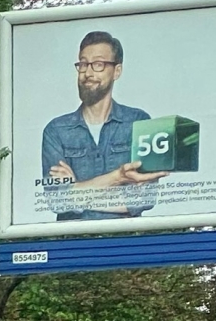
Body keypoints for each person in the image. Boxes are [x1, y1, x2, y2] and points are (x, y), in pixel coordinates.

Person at [40, 30, 160, 222]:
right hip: (72, 244)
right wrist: (118, 177)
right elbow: (58, 201)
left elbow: (142, 199)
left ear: (117, 71)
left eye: (98, 65)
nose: (87, 73)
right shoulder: (56, 130)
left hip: (124, 244)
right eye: (83, 64)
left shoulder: (140, 122)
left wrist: (77, 191)